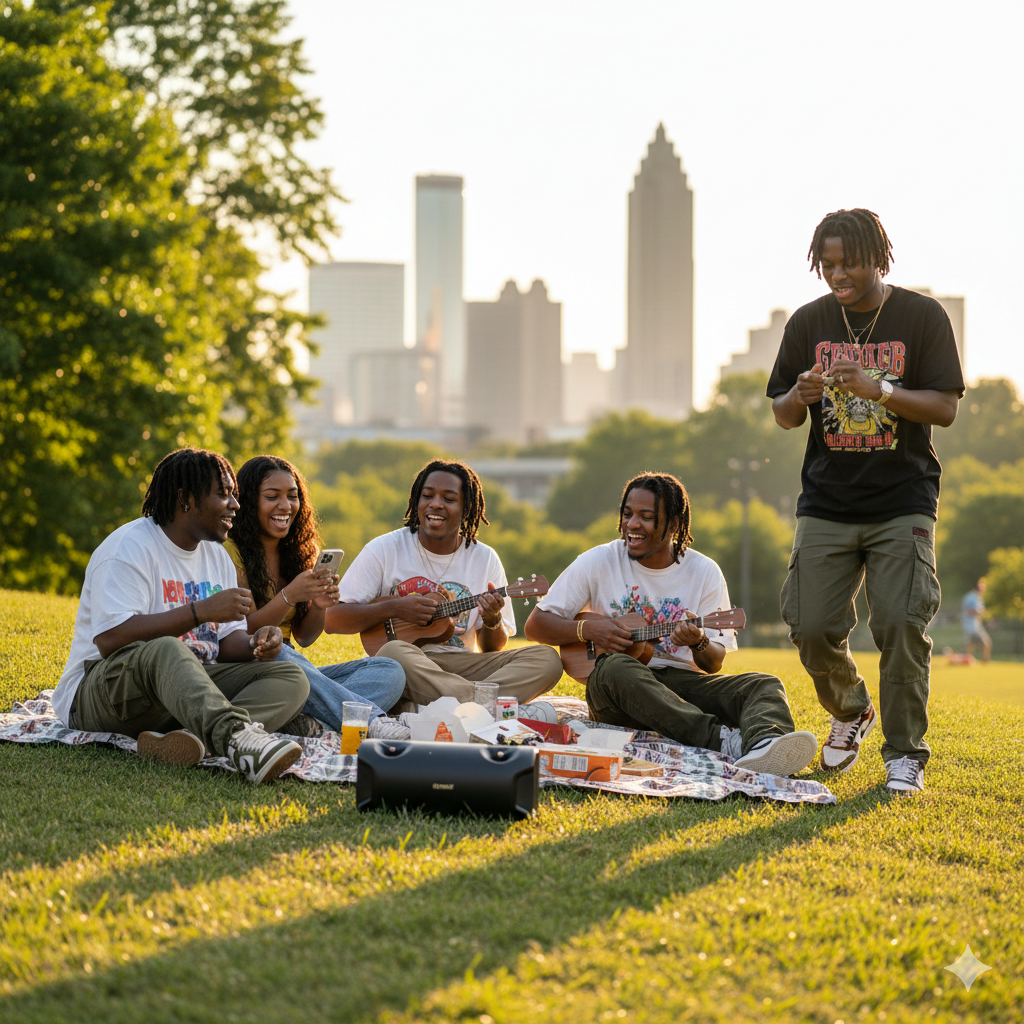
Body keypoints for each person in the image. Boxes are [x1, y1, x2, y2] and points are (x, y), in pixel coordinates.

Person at [767, 208, 964, 795]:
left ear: (878, 256)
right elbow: (781, 413)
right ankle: (851, 708)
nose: (836, 274)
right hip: (826, 500)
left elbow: (946, 408)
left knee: (902, 623)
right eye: (826, 264)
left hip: (902, 497)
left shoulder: (921, 315)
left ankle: (905, 754)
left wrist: (881, 389)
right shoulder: (809, 322)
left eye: (847, 262)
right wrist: (799, 396)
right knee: (808, 623)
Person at [524, 472, 818, 776]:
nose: (632, 524)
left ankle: (766, 746)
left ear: (675, 524)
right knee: (615, 666)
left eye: (646, 516)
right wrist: (588, 629)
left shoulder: (704, 571)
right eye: (627, 514)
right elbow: (535, 625)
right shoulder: (598, 561)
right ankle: (722, 741)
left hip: (681, 686)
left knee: (764, 684)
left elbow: (713, 663)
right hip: (615, 690)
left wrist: (698, 641)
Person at [52, 448, 310, 784]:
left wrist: (258, 643)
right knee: (168, 648)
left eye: (234, 495)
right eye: (223, 495)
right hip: (100, 693)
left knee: (291, 676)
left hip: (182, 693)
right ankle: (239, 740)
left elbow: (227, 642)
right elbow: (109, 639)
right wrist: (199, 611)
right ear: (185, 498)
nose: (235, 505)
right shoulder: (129, 547)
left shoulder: (216, 556)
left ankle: (191, 741)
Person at [326, 459, 563, 728]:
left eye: (449, 498)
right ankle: (487, 708)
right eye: (427, 496)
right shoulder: (385, 548)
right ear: (417, 501)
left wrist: (492, 618)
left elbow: (492, 648)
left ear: (467, 508)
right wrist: (394, 609)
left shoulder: (484, 558)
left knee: (547, 659)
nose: (436, 504)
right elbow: (332, 620)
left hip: (467, 666)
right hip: (410, 665)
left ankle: (444, 706)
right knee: (391, 652)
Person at [226, 455, 406, 737]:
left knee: (389, 670)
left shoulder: (296, 553)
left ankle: (310, 722)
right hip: (255, 660)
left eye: (293, 496)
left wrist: (319, 606)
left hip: (295, 666)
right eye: (272, 496)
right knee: (280, 651)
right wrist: (288, 596)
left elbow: (305, 638)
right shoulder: (231, 553)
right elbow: (241, 633)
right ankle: (370, 722)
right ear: (249, 501)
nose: (285, 506)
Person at [961, 579, 992, 664]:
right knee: (984, 643)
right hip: (971, 626)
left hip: (976, 626)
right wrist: (979, 612)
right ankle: (983, 662)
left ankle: (969, 661)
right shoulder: (970, 597)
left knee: (971, 644)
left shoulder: (978, 597)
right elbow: (969, 610)